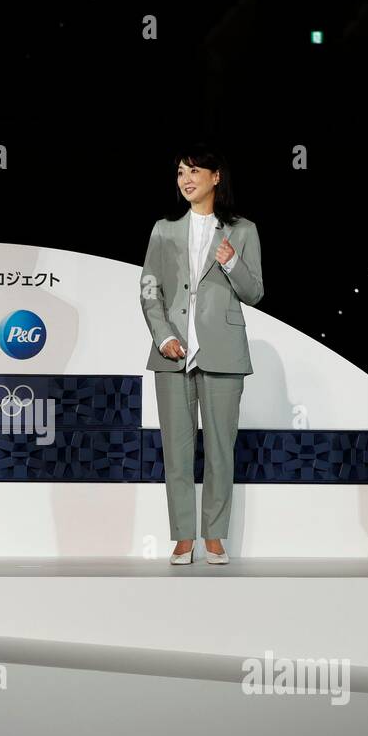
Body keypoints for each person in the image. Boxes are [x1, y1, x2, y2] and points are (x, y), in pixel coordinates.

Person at [140, 143, 264, 565]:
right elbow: (149, 290)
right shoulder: (164, 230)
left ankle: (214, 536)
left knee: (220, 450)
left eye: (194, 171)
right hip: (173, 355)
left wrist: (231, 263)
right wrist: (162, 337)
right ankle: (181, 537)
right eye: (180, 173)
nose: (186, 179)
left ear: (216, 177)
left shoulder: (242, 230)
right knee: (175, 450)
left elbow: (255, 292)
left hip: (223, 353)